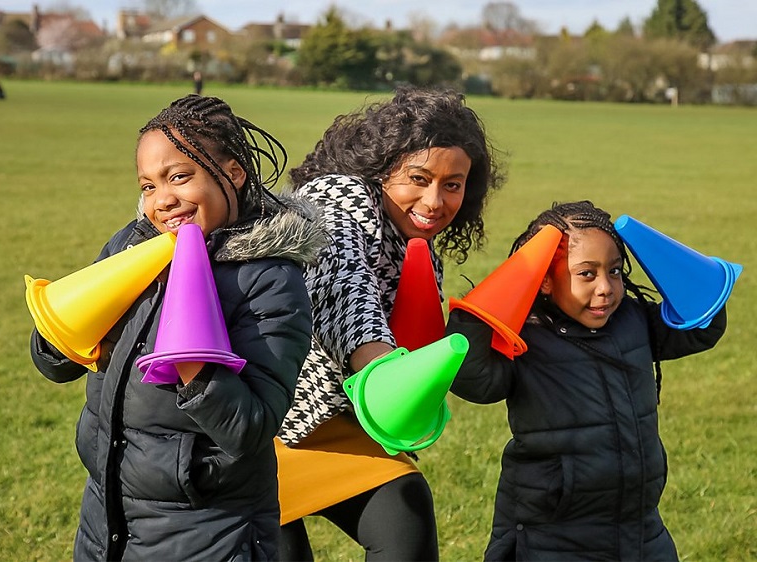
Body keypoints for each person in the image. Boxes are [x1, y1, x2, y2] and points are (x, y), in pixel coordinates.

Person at [29, 94, 327, 561]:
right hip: (108, 518)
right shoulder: (132, 245)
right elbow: (55, 360)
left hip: (209, 532)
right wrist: (65, 341)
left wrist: (194, 364)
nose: (162, 200)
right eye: (148, 185)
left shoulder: (269, 279)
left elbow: (252, 428)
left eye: (179, 177)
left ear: (232, 173)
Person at [276, 86, 506, 561]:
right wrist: (378, 365)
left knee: (405, 513)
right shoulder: (334, 201)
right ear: (379, 171)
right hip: (256, 425)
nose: (434, 200)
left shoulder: (418, 247)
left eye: (453, 184)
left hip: (339, 428)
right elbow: (340, 277)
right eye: (417, 178)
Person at [445, 200, 729, 560]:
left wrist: (668, 261)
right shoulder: (527, 338)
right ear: (545, 280)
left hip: (640, 529)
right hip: (553, 535)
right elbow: (474, 381)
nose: (606, 287)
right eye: (587, 274)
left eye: (614, 271)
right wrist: (476, 316)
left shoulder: (633, 320)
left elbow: (701, 328)